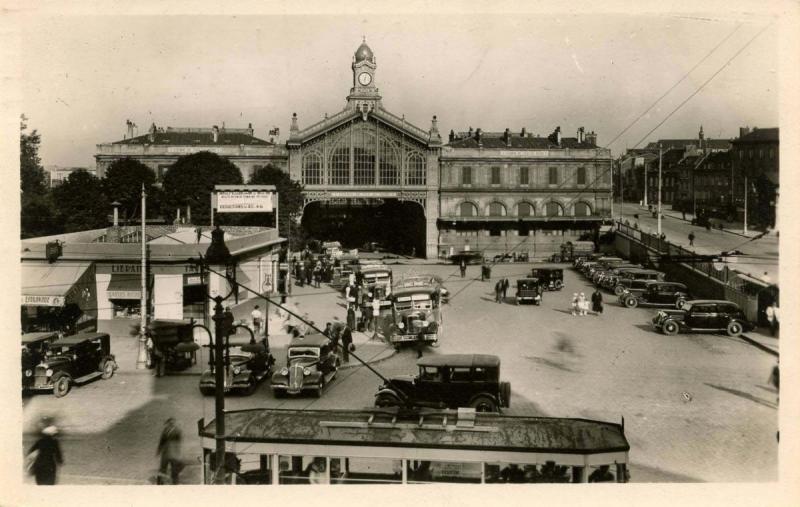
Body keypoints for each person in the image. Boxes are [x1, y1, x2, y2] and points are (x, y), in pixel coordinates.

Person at [27, 419, 63, 485]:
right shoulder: (54, 442)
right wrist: (60, 461)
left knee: (40, 483)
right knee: (50, 483)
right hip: (50, 465)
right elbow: (58, 454)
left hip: (39, 465)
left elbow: (31, 451)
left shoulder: (40, 441)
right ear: (52, 434)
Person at [156, 418, 183, 485]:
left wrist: (178, 454)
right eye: (169, 424)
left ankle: (175, 483)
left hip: (173, 454)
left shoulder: (177, 431)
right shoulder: (165, 430)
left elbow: (178, 443)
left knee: (174, 470)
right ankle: (160, 483)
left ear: (173, 424)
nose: (170, 425)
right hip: (165, 453)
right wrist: (158, 451)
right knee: (162, 468)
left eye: (171, 423)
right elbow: (161, 441)